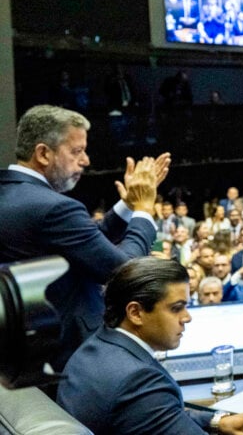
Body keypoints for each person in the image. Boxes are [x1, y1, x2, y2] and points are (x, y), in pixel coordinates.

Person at [0, 105, 170, 369]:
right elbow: (123, 271)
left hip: (24, 355)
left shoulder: (13, 196)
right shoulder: (53, 207)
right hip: (69, 358)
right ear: (43, 153)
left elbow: (86, 243)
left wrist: (126, 206)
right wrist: (144, 210)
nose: (86, 160)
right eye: (77, 151)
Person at [57, 257, 243, 435]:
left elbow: (159, 415)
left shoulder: (93, 349)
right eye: (176, 308)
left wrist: (218, 421)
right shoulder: (138, 380)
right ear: (136, 312)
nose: (187, 317)